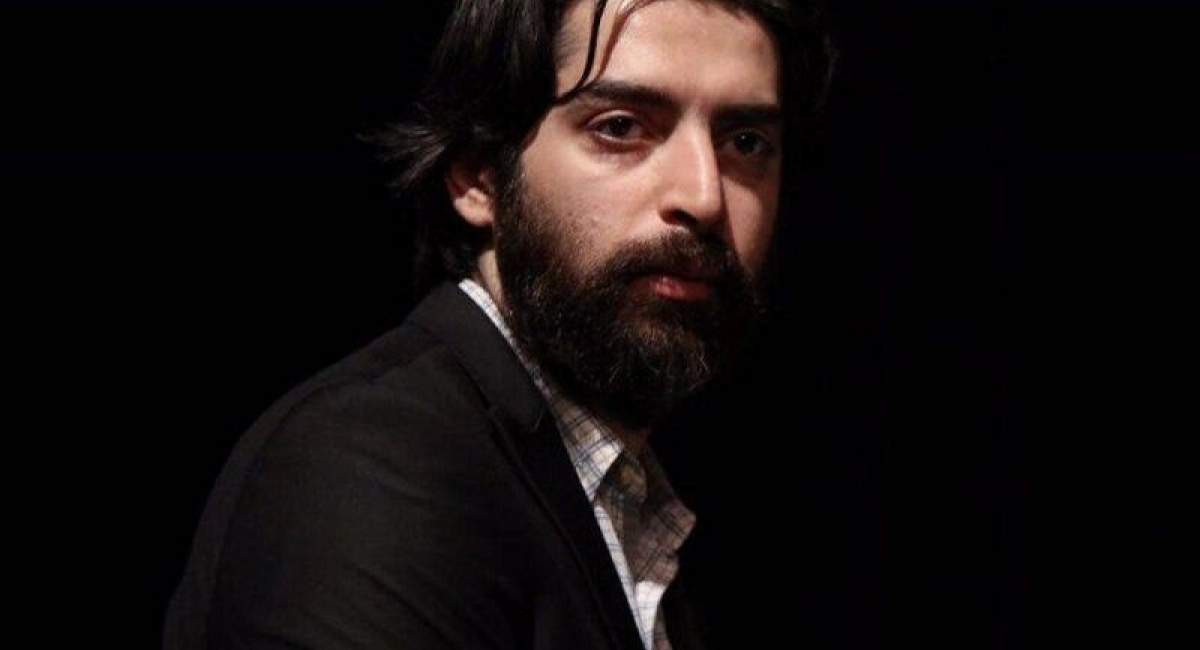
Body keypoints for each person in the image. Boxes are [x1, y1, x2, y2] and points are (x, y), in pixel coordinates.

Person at [164, 0, 834, 648]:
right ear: (479, 176)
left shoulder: (627, 492)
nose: (704, 195)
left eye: (746, 142)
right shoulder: (369, 468)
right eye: (621, 127)